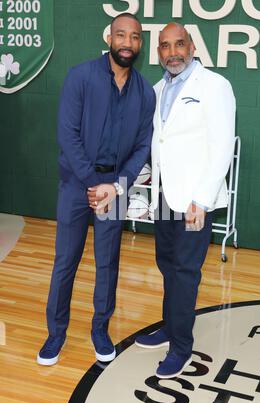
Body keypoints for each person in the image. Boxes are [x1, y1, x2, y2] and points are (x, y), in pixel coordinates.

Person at [37, 13, 155, 366]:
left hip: (115, 190)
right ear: (109, 38)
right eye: (121, 35)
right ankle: (55, 334)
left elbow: (142, 147)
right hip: (77, 184)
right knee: (65, 262)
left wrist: (116, 187)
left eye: (134, 37)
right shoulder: (80, 77)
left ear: (140, 44)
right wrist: (93, 184)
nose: (127, 43)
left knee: (108, 264)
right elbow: (68, 136)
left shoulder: (146, 92)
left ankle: (100, 331)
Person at [135, 23, 236, 378]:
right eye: (165, 46)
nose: (172, 52)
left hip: (194, 200)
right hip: (164, 195)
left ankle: (181, 346)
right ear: (158, 52)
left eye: (179, 44)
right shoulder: (159, 88)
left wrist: (202, 199)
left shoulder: (215, 86)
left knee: (185, 271)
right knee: (166, 263)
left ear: (192, 47)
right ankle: (170, 326)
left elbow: (222, 146)